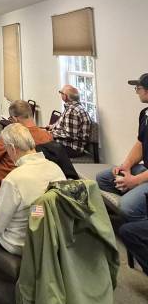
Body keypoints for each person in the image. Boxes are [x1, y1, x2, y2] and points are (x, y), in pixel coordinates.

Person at [0, 124, 66, 255]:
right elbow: (39, 208)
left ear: (13, 149)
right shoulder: (56, 169)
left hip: (16, 243)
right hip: (45, 238)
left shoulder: (14, 179)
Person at [96, 73, 148, 222]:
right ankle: (138, 197)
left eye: (138, 88)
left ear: (147, 91)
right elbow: (140, 143)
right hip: (145, 170)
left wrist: (135, 180)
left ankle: (138, 227)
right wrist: (126, 165)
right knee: (103, 179)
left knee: (127, 207)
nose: (137, 92)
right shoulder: (144, 114)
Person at [0, 100, 52, 196]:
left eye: (10, 119)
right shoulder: (47, 136)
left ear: (15, 119)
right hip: (28, 186)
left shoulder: (11, 134)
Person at [46, 84, 92, 158]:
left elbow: (70, 136)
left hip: (72, 148)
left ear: (65, 96)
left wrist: (50, 134)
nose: (60, 95)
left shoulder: (72, 111)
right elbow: (64, 126)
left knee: (41, 148)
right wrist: (52, 127)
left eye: (61, 93)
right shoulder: (74, 107)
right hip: (68, 144)